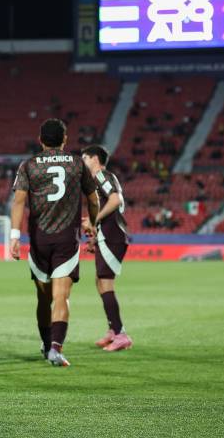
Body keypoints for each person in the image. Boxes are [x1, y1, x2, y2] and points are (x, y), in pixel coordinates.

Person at [10, 118, 99, 367]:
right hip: (65, 240)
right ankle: (55, 350)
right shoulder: (77, 164)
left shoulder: (28, 165)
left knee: (43, 298)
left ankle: (46, 343)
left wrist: (14, 237)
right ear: (65, 139)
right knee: (62, 296)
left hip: (39, 240)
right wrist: (92, 223)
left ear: (40, 140)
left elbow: (18, 202)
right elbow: (93, 199)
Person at [80, 144, 133, 352]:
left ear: (95, 159)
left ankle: (121, 334)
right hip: (108, 235)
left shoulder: (101, 175)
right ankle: (113, 329)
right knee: (100, 282)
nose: (83, 162)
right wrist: (95, 236)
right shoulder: (100, 179)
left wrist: (94, 220)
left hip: (113, 236)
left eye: (85, 158)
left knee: (105, 282)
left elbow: (115, 200)